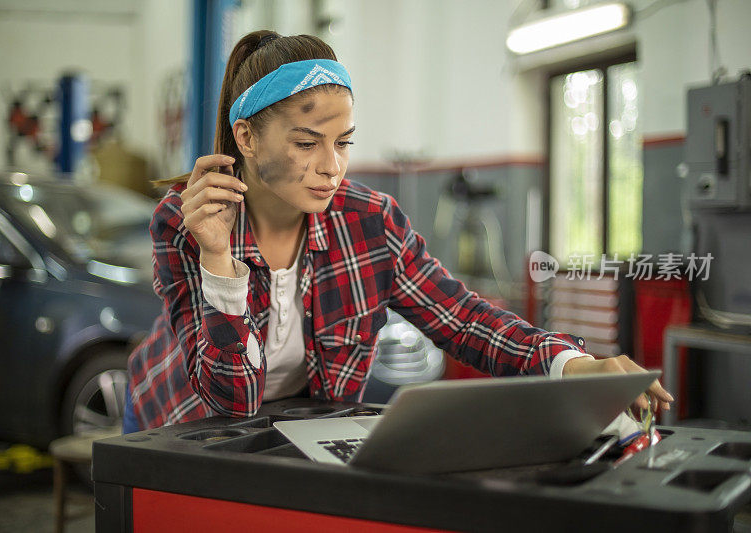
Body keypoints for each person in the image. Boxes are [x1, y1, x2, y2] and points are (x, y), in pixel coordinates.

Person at [123, 30, 673, 433]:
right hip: (179, 426)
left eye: (343, 143)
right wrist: (219, 260)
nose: (332, 166)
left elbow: (462, 319)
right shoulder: (186, 222)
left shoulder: (369, 222)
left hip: (290, 423)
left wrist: (570, 363)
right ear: (246, 137)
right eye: (307, 142)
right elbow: (231, 405)